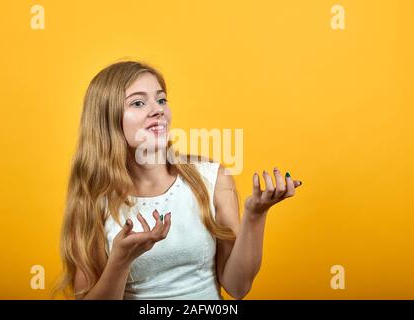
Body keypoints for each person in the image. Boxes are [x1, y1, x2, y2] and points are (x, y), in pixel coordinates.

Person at [52, 60, 302, 300]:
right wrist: (120, 261)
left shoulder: (211, 178)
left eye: (161, 100)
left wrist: (255, 214)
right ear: (107, 120)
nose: (158, 109)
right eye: (138, 103)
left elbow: (237, 287)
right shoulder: (93, 199)